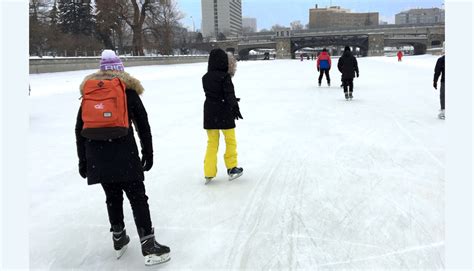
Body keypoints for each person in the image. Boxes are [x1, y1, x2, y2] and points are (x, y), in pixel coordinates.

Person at [75, 50, 170, 266]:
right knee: (137, 197)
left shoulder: (90, 92)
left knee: (112, 196)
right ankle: (149, 245)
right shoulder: (127, 91)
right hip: (125, 154)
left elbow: (78, 128)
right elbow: (143, 126)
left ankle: (118, 238)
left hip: (97, 156)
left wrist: (83, 161)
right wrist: (148, 153)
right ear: (120, 69)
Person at [202, 49, 243, 184]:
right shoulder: (225, 77)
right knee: (230, 141)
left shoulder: (205, 77)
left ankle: (208, 172)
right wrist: (235, 108)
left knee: (212, 144)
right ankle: (232, 168)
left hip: (210, 113)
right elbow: (228, 94)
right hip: (224, 112)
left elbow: (214, 93)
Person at [433, 53, 445, 119]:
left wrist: (435, 81)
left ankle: (444, 111)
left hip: (445, 81)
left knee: (443, 95)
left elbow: (437, 72)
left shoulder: (442, 59)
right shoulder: (441, 60)